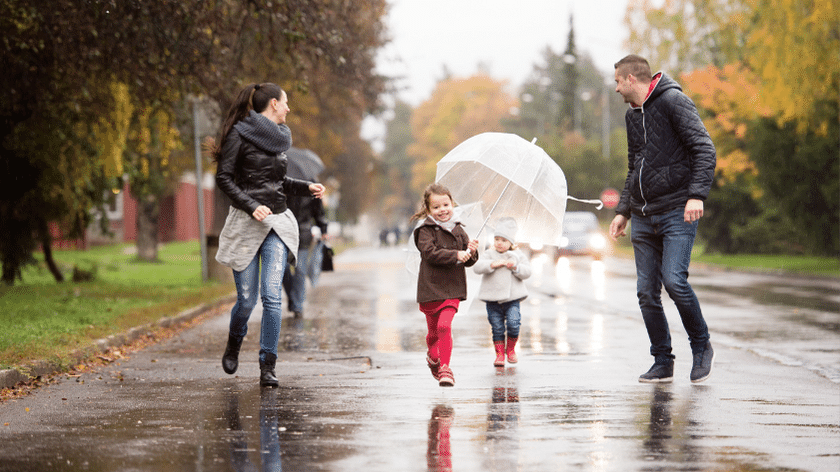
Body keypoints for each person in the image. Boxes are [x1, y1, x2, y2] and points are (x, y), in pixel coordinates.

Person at [609, 55, 717, 384]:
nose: (616, 88)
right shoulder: (632, 115)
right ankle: (662, 360)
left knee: (674, 282)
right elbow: (635, 167)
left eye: (617, 81)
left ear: (631, 78)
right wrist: (623, 211)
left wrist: (696, 195)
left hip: (676, 210)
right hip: (643, 214)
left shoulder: (673, 101)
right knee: (646, 292)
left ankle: (701, 346)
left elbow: (704, 148)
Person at [212, 82, 325, 387]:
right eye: (285, 102)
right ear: (273, 103)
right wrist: (251, 205)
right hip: (246, 225)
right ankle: (234, 343)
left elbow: (277, 182)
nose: (288, 107)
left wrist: (306, 188)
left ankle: (268, 365)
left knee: (272, 296)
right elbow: (223, 178)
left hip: (276, 224)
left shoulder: (280, 138)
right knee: (247, 301)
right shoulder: (239, 134)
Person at [411, 183, 479, 387]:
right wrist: (456, 254)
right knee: (433, 334)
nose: (442, 210)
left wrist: (471, 251)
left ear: (452, 204)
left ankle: (446, 368)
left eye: (446, 205)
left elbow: (468, 261)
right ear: (428, 209)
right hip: (431, 288)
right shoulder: (424, 230)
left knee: (444, 326)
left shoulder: (459, 230)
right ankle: (433, 358)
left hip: (452, 288)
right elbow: (429, 253)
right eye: (436, 207)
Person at [473, 217, 531, 367]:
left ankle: (510, 349)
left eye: (504, 240)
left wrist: (515, 267)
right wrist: (492, 264)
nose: (499, 243)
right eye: (497, 239)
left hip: (512, 298)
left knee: (514, 323)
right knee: (497, 327)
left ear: (511, 242)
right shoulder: (489, 254)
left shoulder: (517, 255)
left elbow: (527, 271)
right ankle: (499, 354)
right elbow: (477, 267)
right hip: (492, 299)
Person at [282, 187, 329, 318]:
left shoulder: (311, 183)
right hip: (283, 231)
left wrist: (323, 228)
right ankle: (294, 298)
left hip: (303, 233)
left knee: (300, 270)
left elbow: (318, 209)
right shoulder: (283, 181)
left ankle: (297, 305)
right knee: (283, 268)